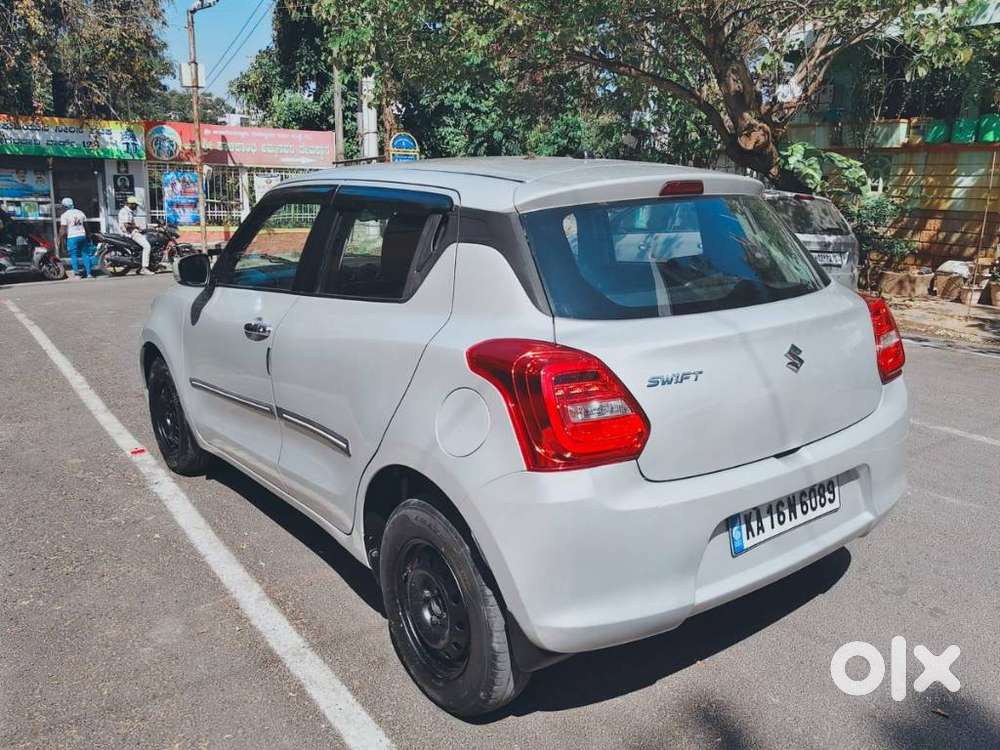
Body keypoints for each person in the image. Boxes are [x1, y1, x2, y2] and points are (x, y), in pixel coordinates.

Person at [58, 198, 94, 279]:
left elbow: (63, 229)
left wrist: (59, 238)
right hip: (82, 235)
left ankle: (77, 274)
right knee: (85, 254)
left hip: (72, 237)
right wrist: (88, 235)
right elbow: (86, 226)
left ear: (64, 206)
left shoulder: (64, 215)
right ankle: (89, 274)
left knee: (73, 255)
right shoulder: (80, 212)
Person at [118, 195, 154, 275]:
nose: (136, 206)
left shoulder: (128, 211)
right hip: (131, 234)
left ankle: (140, 266)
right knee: (147, 246)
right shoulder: (125, 212)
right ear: (131, 204)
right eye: (135, 205)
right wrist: (137, 227)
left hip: (133, 232)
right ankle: (144, 268)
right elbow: (127, 226)